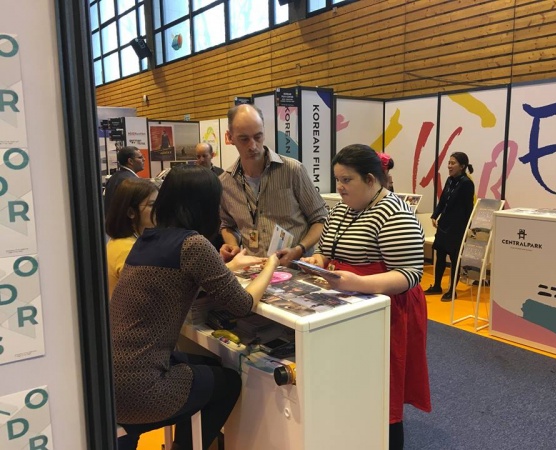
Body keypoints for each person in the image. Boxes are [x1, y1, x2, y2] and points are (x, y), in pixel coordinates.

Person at [110, 165, 280, 450]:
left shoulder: (146, 240)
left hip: (112, 381)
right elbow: (243, 304)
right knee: (228, 383)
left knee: (210, 365)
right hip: (142, 391)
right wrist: (272, 264)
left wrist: (229, 265)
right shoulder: (193, 244)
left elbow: (174, 282)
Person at [302, 144, 431, 450]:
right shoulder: (343, 208)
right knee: (355, 383)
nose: (340, 187)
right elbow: (327, 247)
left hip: (386, 310)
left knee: (384, 390)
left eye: (347, 180)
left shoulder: (395, 212)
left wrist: (359, 283)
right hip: (349, 303)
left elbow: (410, 273)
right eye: (338, 180)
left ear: (372, 180)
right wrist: (319, 259)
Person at [219, 104, 328, 266]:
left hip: (295, 270)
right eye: (244, 139)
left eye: (258, 136)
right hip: (253, 271)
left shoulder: (292, 170)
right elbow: (227, 224)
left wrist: (299, 249)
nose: (253, 145)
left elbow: (321, 219)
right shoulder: (226, 182)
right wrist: (233, 246)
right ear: (230, 137)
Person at [424, 151, 475, 301]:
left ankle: (452, 289)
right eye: (449, 163)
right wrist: (435, 215)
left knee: (454, 258)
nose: (449, 166)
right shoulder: (449, 180)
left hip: (457, 227)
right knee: (439, 255)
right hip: (444, 224)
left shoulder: (466, 183)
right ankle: (437, 286)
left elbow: (468, 208)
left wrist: (467, 228)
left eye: (453, 163)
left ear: (462, 166)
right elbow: (443, 200)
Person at [105, 178, 158, 298]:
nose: (157, 210)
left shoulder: (123, 242)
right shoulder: (127, 250)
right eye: (151, 205)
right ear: (131, 212)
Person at [104, 146, 145, 215]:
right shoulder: (131, 181)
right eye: (140, 157)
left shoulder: (115, 177)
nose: (144, 159)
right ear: (130, 161)